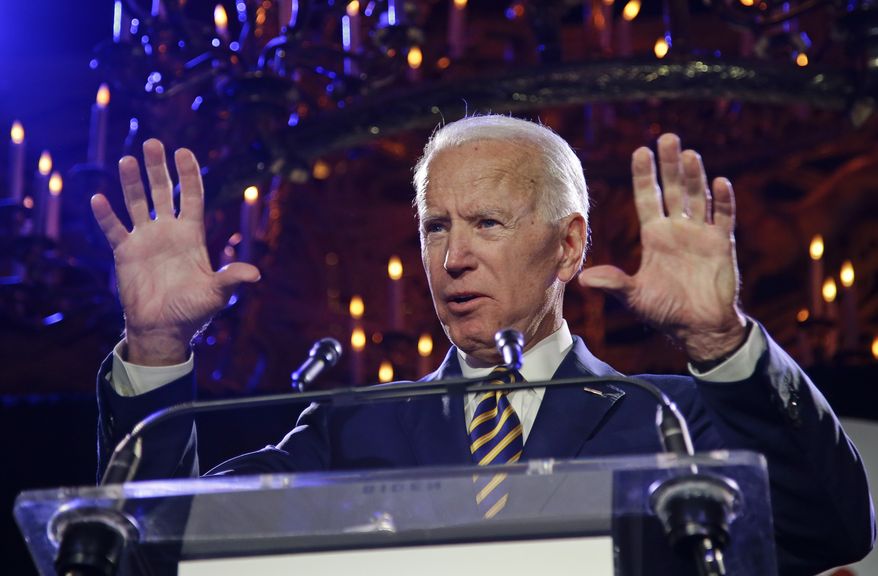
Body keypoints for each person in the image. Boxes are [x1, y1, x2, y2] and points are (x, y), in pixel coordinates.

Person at [91, 115, 874, 573]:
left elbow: (827, 529)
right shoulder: (351, 427)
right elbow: (162, 551)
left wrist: (720, 340)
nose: (453, 257)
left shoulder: (670, 419)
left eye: (487, 223)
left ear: (569, 246)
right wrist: (155, 348)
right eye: (436, 226)